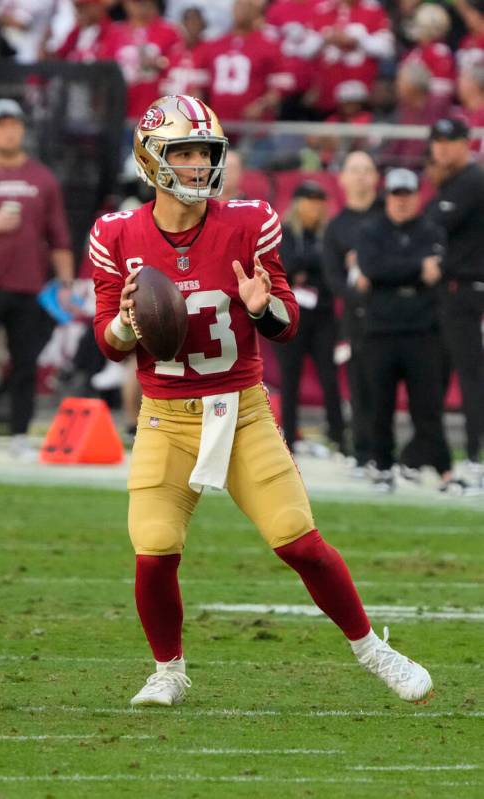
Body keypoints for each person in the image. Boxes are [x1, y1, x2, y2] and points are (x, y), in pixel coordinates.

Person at [91, 93, 432, 707]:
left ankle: (373, 649)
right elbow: (108, 343)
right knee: (154, 549)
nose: (198, 165)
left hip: (239, 408)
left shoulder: (248, 223)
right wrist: (124, 322)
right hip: (165, 415)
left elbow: (287, 322)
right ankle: (168, 671)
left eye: (205, 152)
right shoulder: (118, 234)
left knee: (296, 537)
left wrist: (260, 305)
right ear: (150, 159)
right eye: (184, 152)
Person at [0, 98, 74, 460]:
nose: (8, 130)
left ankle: (20, 433)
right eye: (0, 124)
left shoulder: (42, 178)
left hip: (30, 285)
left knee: (25, 362)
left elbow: (59, 237)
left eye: (13, 123)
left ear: (22, 128)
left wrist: (66, 284)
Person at [355, 168, 466, 493]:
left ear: (417, 196)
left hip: (422, 331)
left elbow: (436, 269)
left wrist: (389, 274)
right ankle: (383, 467)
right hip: (380, 331)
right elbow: (373, 268)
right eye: (396, 194)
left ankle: (443, 470)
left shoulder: (431, 230)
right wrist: (416, 269)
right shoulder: (371, 229)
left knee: (428, 407)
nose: (401, 201)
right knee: (380, 405)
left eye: (407, 194)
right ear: (387, 196)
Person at [426, 117, 484, 468]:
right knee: (442, 374)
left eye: (450, 141)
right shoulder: (452, 183)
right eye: (437, 141)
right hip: (452, 292)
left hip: (467, 291)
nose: (442, 148)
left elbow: (434, 224)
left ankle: (475, 456)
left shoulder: (472, 181)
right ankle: (438, 454)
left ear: (467, 143)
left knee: (470, 374)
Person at [276, 180, 346, 454]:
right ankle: (289, 437)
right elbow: (286, 265)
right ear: (298, 204)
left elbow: (330, 272)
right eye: (310, 201)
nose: (316, 208)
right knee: (289, 378)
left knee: (330, 377)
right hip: (291, 315)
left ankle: (339, 436)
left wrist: (306, 268)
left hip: (323, 316)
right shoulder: (285, 232)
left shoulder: (328, 234)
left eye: (320, 202)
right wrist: (309, 265)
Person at [322, 151, 381, 475]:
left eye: (367, 169)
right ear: (342, 178)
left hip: (394, 314)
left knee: (388, 383)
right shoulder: (337, 227)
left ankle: (387, 452)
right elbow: (333, 278)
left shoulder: (390, 213)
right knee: (359, 385)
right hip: (356, 317)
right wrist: (358, 289)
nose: (360, 176)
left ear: (376, 177)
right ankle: (361, 451)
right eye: (354, 170)